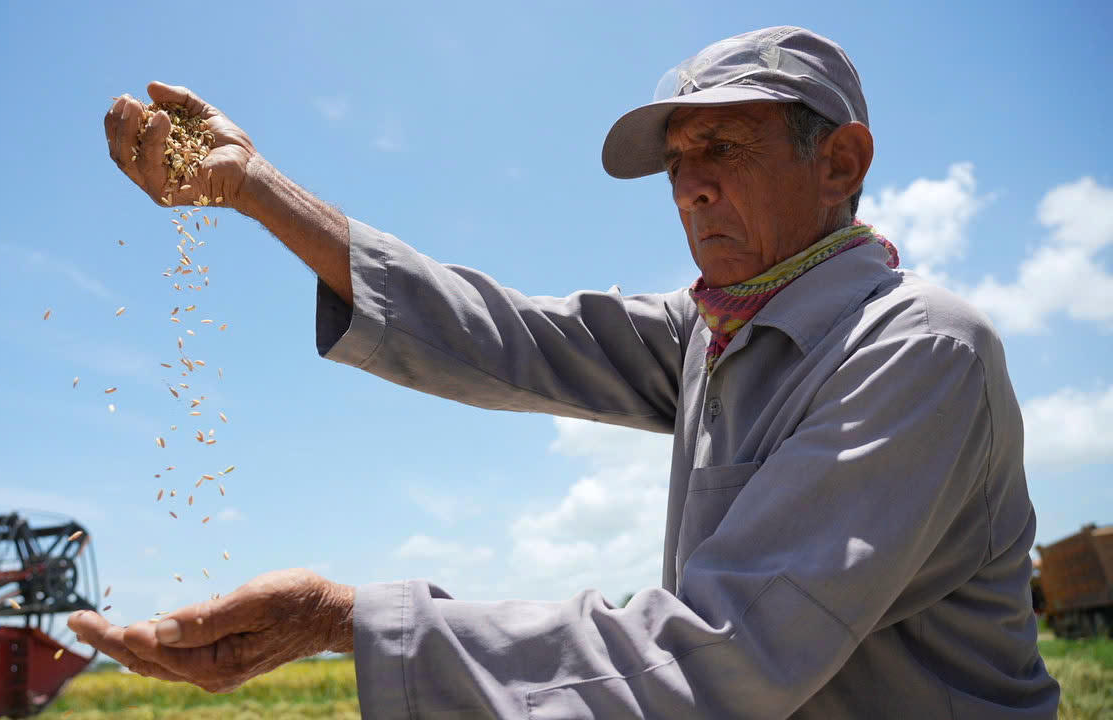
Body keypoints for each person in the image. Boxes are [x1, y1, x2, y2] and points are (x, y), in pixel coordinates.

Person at [70, 26, 1061, 718]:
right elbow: (507, 337)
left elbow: (719, 655)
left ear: (839, 163)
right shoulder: (713, 332)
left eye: (719, 146)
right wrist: (259, 192)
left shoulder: (913, 353)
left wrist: (339, 620)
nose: (688, 188)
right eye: (675, 161)